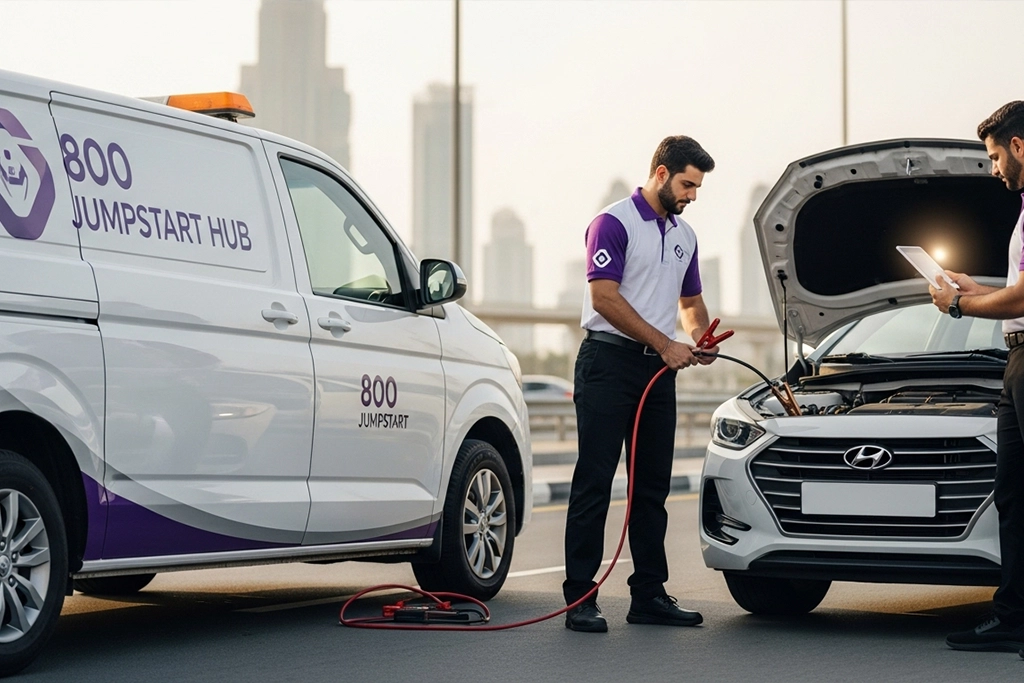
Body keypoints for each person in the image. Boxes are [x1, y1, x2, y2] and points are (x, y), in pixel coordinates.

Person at [563, 135, 718, 632]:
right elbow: (604, 298)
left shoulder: (685, 237)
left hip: (658, 372)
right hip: (608, 365)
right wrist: (665, 342)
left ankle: (648, 594)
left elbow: (690, 304)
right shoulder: (613, 222)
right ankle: (579, 599)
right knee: (594, 481)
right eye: (687, 184)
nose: (693, 195)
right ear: (660, 173)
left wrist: (700, 335)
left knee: (651, 488)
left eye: (697, 187)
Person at [930, 101, 1024, 655]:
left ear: (1018, 146)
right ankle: (1012, 616)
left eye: (993, 156)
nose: (992, 169)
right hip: (1016, 360)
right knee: (1013, 495)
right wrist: (974, 284)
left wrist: (962, 307)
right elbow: (1013, 291)